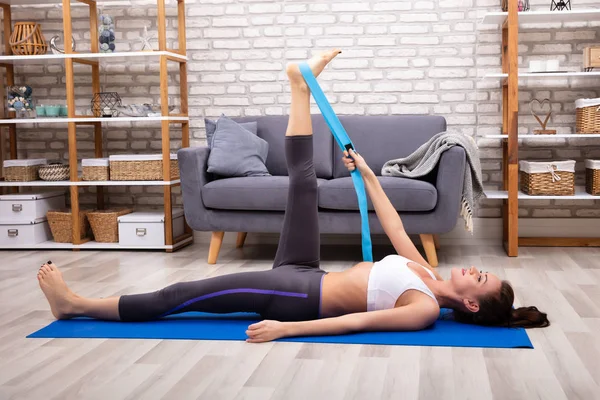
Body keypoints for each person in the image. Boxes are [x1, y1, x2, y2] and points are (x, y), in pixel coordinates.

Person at [37, 49, 549, 343]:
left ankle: (75, 305)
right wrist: (369, 175)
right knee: (302, 182)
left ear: (471, 306)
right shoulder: (425, 275)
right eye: (479, 271)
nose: (472, 271)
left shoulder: (423, 309)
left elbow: (357, 322)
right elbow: (394, 226)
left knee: (186, 296)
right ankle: (298, 87)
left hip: (299, 297)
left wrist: (285, 331)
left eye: (478, 279)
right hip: (309, 271)